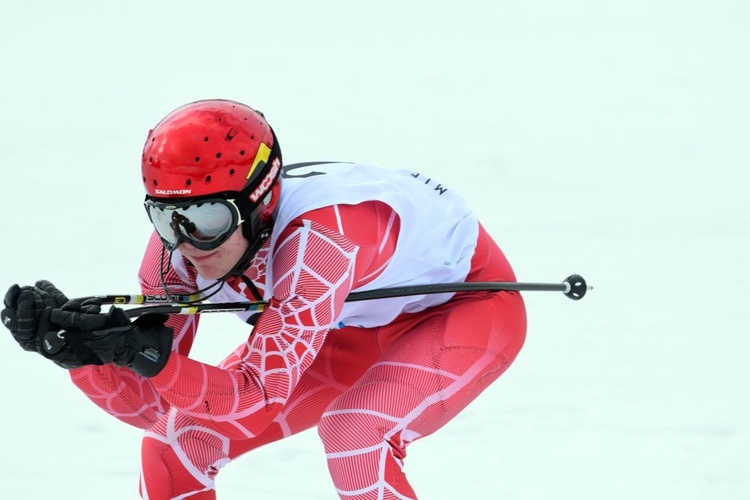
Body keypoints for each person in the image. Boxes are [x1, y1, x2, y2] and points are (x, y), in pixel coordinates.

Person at [1, 99, 527, 499]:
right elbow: (156, 408)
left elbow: (257, 398)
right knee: (173, 445)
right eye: (165, 217)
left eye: (208, 221)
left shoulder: (319, 243)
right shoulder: (178, 247)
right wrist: (83, 356)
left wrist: (147, 357)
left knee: (356, 432)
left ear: (259, 202)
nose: (185, 242)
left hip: (463, 309)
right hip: (347, 325)